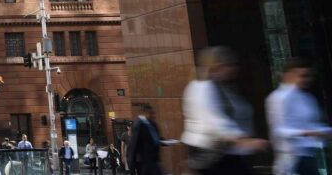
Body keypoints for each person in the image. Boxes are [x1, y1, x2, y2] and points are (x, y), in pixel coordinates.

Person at [182, 47, 269, 175]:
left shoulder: (223, 88)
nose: (235, 68)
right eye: (230, 65)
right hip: (214, 154)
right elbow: (214, 120)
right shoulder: (203, 87)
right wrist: (244, 141)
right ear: (217, 66)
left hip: (227, 153)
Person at [266, 57, 332, 175]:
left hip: (309, 156)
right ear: (289, 75)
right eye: (303, 76)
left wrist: (324, 132)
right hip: (291, 158)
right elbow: (279, 131)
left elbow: (314, 125)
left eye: (309, 76)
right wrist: (307, 133)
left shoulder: (307, 98)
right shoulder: (279, 98)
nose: (307, 79)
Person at [128, 105, 164, 175]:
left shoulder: (153, 125)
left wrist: (163, 141)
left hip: (154, 162)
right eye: (150, 113)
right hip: (144, 163)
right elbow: (133, 146)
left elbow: (155, 140)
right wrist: (132, 169)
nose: (153, 115)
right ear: (144, 113)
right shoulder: (138, 125)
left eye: (153, 113)